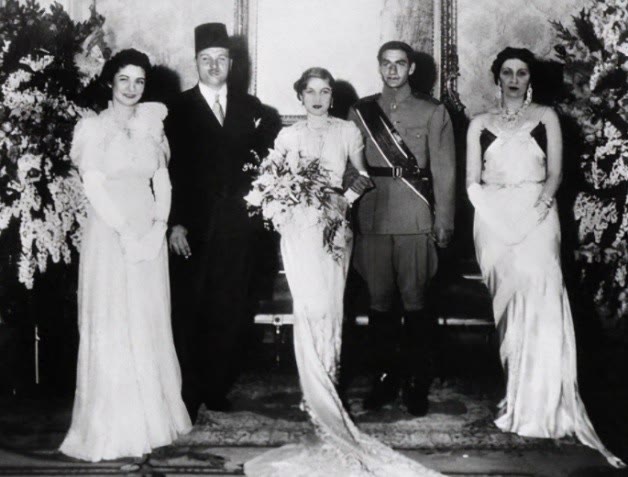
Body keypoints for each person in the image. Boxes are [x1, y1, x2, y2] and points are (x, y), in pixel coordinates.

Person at [244, 67, 443, 477]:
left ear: (332, 97)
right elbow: (270, 180)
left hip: (334, 231)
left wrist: (342, 201)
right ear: (300, 96)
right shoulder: (287, 136)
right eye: (310, 91)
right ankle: (311, 391)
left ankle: (329, 385)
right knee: (308, 307)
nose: (317, 98)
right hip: (298, 232)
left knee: (331, 309)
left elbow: (362, 175)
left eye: (324, 91)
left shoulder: (347, 131)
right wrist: (279, 202)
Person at [466, 47, 625, 468]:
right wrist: (500, 221)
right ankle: (517, 395)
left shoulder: (546, 117)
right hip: (492, 219)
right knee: (509, 308)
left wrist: (534, 213)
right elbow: (471, 181)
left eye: (521, 72)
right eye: (507, 72)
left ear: (529, 78)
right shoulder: (479, 123)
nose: (513, 79)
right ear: (497, 77)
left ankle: (544, 403)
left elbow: (555, 174)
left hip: (538, 213)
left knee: (542, 301)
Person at [60, 49, 192, 465]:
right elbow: (94, 186)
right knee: (114, 319)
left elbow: (163, 180)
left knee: (147, 318)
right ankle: (115, 426)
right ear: (110, 82)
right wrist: (126, 233)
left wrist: (157, 227)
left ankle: (153, 420)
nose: (132, 88)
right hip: (110, 231)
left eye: (139, 81)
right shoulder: (93, 128)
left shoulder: (153, 123)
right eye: (124, 80)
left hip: (148, 229)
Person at [165, 23, 275, 422]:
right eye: (206, 59)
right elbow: (168, 172)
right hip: (191, 229)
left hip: (238, 229)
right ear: (195, 62)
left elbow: (263, 168)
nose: (214, 66)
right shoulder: (177, 110)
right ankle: (188, 390)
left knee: (231, 308)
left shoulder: (253, 110)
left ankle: (216, 387)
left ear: (232, 62)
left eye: (221, 59)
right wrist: (174, 224)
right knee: (190, 309)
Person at [348, 41, 456, 416]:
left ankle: (416, 381)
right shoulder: (360, 111)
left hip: (415, 216)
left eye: (400, 64)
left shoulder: (433, 110)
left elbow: (444, 170)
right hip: (374, 215)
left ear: (411, 68)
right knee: (378, 303)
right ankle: (384, 378)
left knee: (416, 302)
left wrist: (444, 221)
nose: (392, 70)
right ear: (379, 67)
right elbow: (349, 164)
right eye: (386, 63)